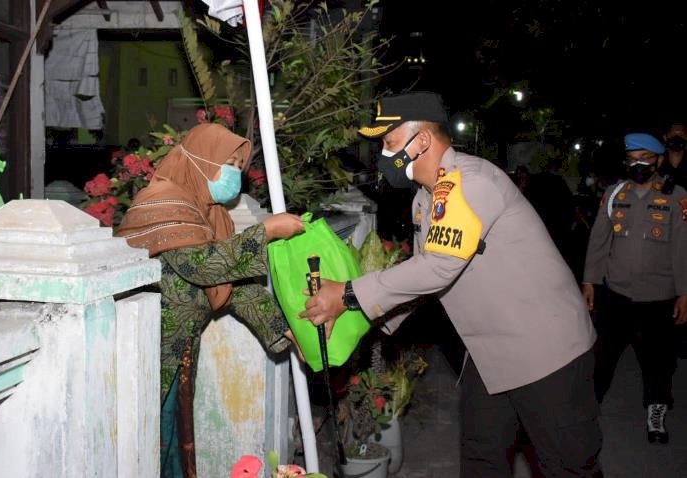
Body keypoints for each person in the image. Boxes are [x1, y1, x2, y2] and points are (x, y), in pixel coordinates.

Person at [300, 91, 602, 477]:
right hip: (491, 352)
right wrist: (358, 321)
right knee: (481, 457)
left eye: (389, 143)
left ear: (421, 141)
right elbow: (423, 279)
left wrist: (347, 293)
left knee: (570, 465)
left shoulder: (470, 182)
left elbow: (438, 267)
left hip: (546, 352)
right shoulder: (425, 200)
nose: (382, 155)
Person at [116, 123, 304, 477]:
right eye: (227, 162)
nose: (234, 173)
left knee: (171, 441)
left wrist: (287, 331)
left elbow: (235, 286)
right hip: (145, 354)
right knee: (146, 446)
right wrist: (265, 232)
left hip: (177, 353)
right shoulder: (162, 203)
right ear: (199, 160)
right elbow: (203, 266)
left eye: (238, 164)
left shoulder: (208, 212)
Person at [582, 132, 687, 444]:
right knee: (603, 358)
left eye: (644, 158)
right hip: (617, 294)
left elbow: (682, 247)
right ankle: (587, 411)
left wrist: (685, 291)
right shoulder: (615, 194)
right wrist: (590, 280)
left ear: (657, 160)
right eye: (632, 160)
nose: (638, 165)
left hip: (659, 296)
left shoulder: (676, 196)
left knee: (658, 362)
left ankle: (656, 413)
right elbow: (599, 240)